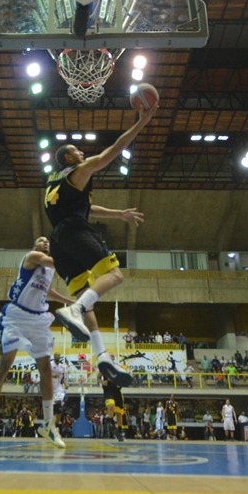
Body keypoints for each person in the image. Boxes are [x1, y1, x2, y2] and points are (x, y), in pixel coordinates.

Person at [46, 102, 158, 388]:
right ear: (68, 157)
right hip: (75, 232)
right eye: (76, 150)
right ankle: (74, 310)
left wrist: (119, 214)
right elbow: (114, 151)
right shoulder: (78, 170)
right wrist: (142, 121)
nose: (82, 153)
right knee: (115, 275)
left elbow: (85, 209)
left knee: (88, 301)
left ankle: (102, 356)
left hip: (59, 241)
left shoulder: (54, 181)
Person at [0, 237, 74, 449]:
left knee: (46, 369)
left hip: (38, 319)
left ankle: (48, 424)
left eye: (48, 241)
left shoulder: (49, 270)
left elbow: (47, 292)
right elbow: (55, 261)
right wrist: (78, 252)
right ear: (35, 245)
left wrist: (69, 301)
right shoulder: (33, 257)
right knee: (5, 365)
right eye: (41, 240)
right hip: (17, 317)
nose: (45, 242)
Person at [101, 376, 126, 442]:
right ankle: (112, 422)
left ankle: (120, 432)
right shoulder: (104, 370)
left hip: (117, 392)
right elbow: (98, 377)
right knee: (111, 405)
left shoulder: (119, 370)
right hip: (108, 391)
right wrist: (102, 382)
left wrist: (120, 384)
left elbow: (124, 379)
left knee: (119, 414)